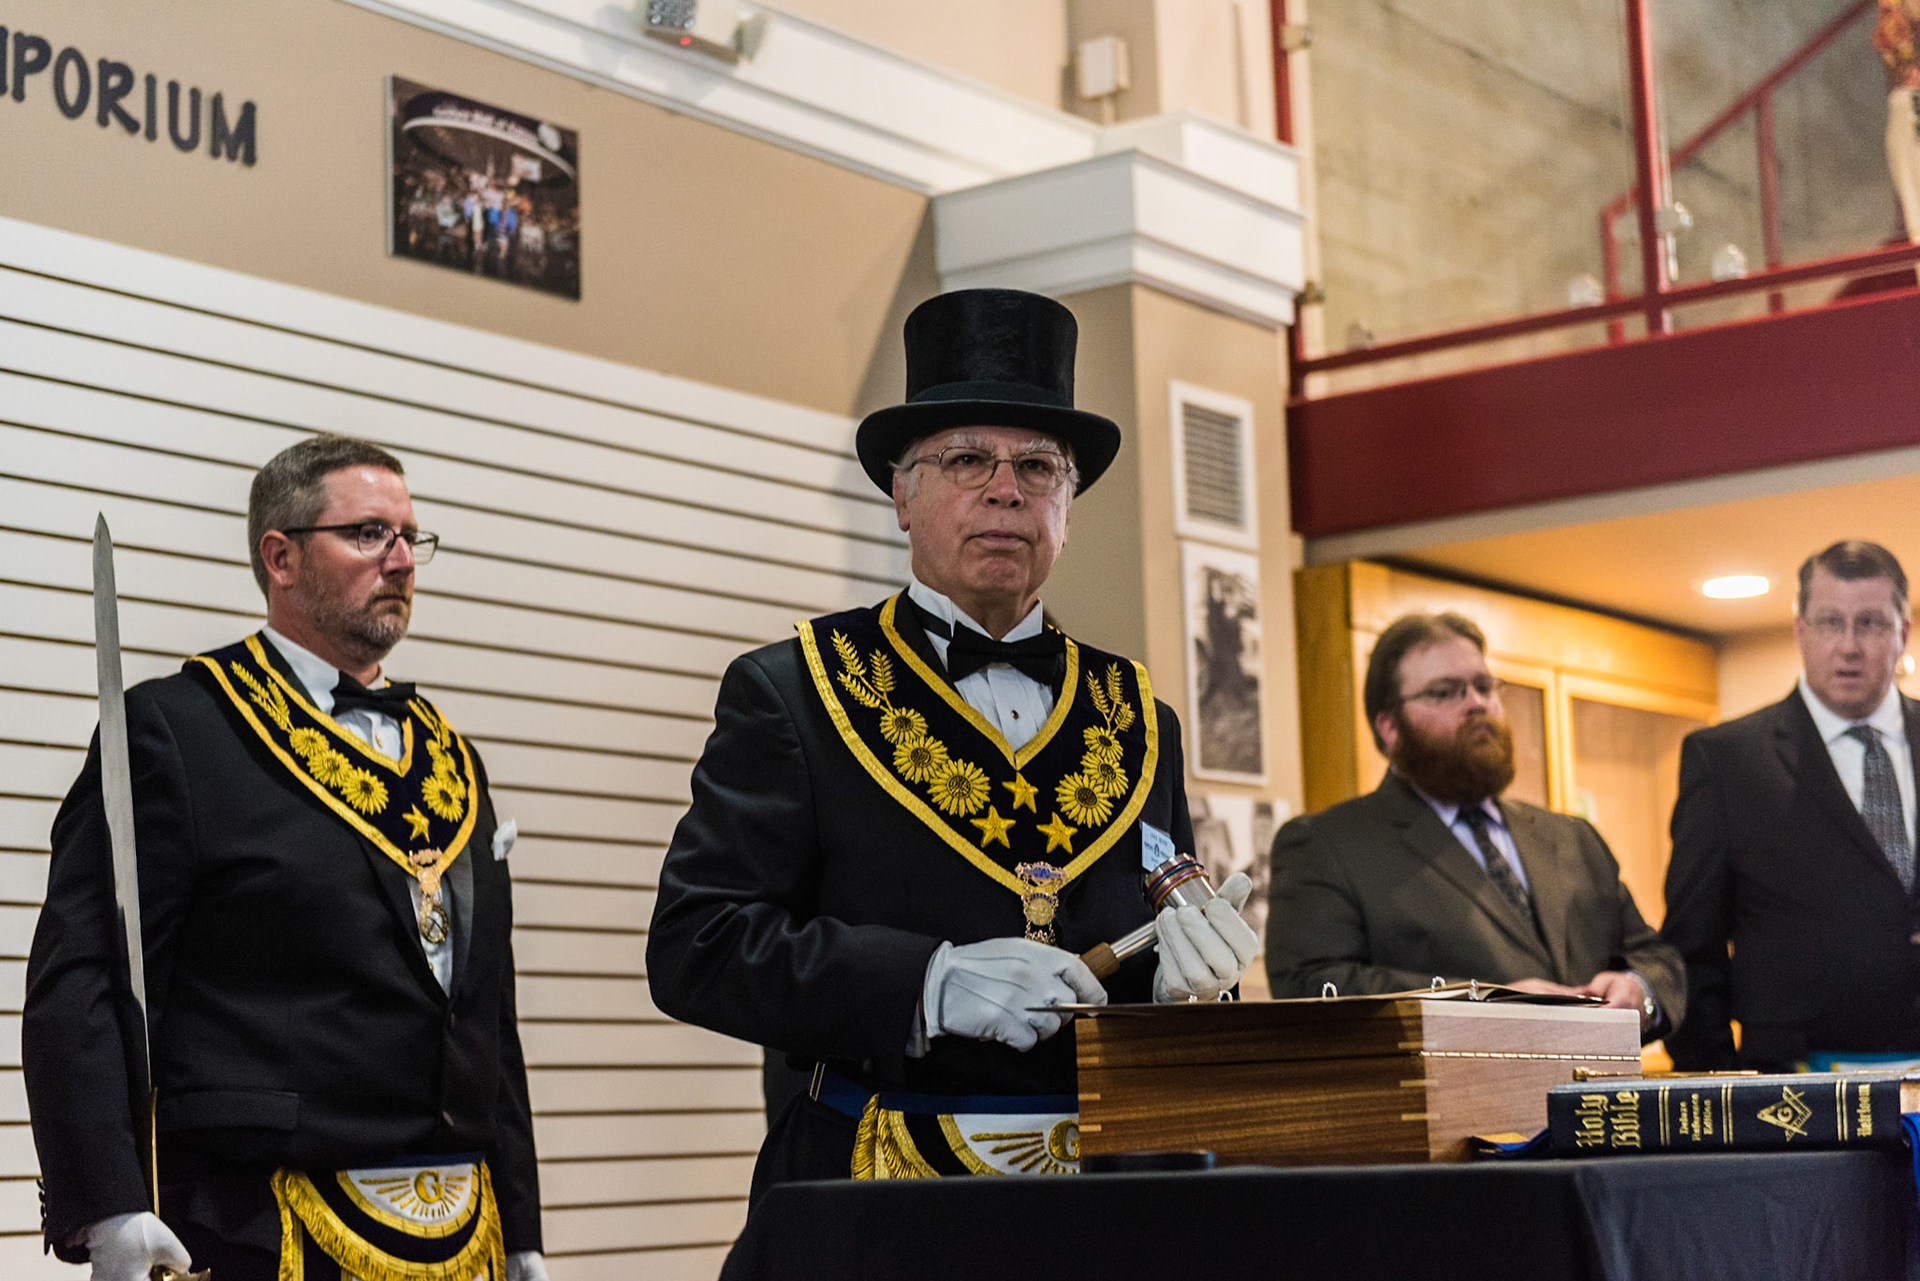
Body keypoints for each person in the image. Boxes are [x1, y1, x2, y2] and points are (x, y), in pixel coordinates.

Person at [646, 288, 1260, 1195]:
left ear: (1070, 503)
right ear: (902, 493)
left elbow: (1154, 946)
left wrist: (1194, 1003)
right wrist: (924, 980)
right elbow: (697, 948)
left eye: (1039, 467)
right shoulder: (794, 689)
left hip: (1103, 1202)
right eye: (967, 458)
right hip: (873, 1193)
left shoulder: (1138, 716)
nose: (1005, 488)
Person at [25, 435, 547, 1281]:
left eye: (414, 537)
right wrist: (109, 1205)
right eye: (372, 533)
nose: (405, 560)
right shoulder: (176, 729)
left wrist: (521, 1227)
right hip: (256, 1222)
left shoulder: (455, 757)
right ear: (282, 556)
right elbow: (78, 982)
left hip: (464, 1224)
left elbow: (490, 1011)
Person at [1265, 611, 1683, 1041]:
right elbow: (1311, 987)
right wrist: (1479, 1003)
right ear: (1388, 726)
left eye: (1484, 687)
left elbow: (1657, 958)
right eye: (1446, 692)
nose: (1477, 703)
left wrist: (1641, 991)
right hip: (1446, 1100)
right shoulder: (1328, 844)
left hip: (1597, 1099)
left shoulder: (1573, 838)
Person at [1664, 540, 1920, 1070]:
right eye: (1830, 622)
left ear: (1904, 630)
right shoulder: (1727, 760)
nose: (1849, 645)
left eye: (1870, 623)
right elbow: (1693, 952)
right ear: (1800, 630)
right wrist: (1724, 1093)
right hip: (1794, 1087)